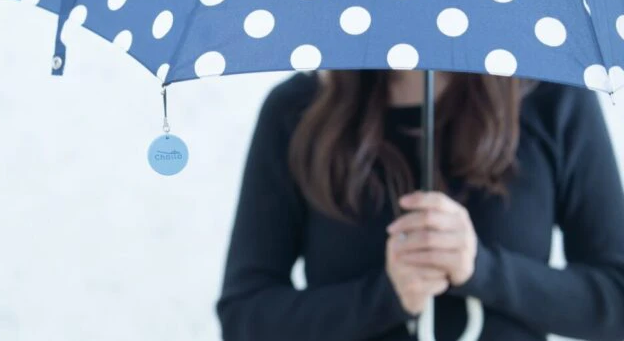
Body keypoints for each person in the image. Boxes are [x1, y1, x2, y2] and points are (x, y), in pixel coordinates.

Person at [216, 70, 624, 340]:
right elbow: (245, 315)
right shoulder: (296, 109)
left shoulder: (553, 99)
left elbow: (615, 300)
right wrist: (384, 297)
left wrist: (482, 269)